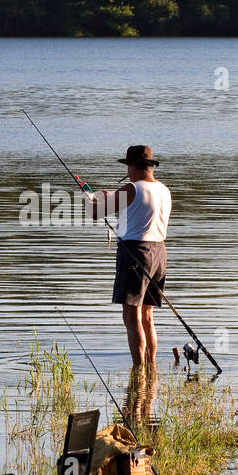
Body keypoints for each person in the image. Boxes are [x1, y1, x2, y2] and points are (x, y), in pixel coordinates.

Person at [83, 145, 171, 371]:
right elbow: (137, 210)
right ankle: (151, 368)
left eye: (128, 168)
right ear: (150, 166)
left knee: (131, 315)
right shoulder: (164, 190)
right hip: (159, 253)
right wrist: (108, 196)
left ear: (132, 167)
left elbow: (94, 213)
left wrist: (88, 197)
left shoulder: (131, 188)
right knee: (147, 315)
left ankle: (138, 369)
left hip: (135, 254)